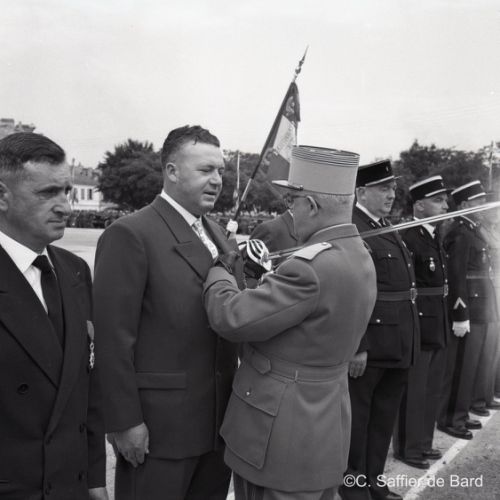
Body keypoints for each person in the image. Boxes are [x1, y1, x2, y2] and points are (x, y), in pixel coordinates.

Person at [203, 145, 377, 500]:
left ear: (311, 205)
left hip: (279, 434)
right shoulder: (358, 254)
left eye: (292, 202)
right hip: (324, 426)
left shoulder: (310, 267)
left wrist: (222, 270)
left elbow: (231, 317)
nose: (289, 211)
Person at [93, 125, 244, 500]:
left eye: (220, 171)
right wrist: (125, 421)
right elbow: (113, 338)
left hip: (217, 423)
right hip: (161, 428)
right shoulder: (131, 233)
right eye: (205, 169)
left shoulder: (218, 235)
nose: (217, 180)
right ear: (172, 171)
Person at [0, 132, 107, 500]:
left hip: (69, 484)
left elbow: (86, 388)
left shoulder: (74, 270)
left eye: (67, 191)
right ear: (2, 196)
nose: (65, 206)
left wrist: (94, 477)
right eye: (48, 193)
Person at [340, 160, 420, 500]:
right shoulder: (353, 228)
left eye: (393, 188)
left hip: (396, 341)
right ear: (361, 192)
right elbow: (350, 290)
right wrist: (358, 344)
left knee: (383, 418)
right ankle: (354, 487)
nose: (391, 195)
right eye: (383, 189)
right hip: (370, 344)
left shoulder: (383, 226)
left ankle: (374, 481)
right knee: (358, 421)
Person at [392, 176, 450, 469]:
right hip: (419, 321)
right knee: (414, 391)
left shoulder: (434, 234)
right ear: (419, 206)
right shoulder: (409, 236)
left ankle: (424, 442)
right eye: (438, 201)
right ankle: (408, 448)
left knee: (431, 388)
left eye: (445, 200)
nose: (445, 206)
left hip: (437, 319)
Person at [438, 181, 499, 439]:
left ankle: (461, 414)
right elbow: (456, 275)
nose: (482, 205)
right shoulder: (460, 233)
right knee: (461, 367)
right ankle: (451, 418)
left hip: (481, 305)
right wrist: (460, 313)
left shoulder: (472, 230)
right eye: (477, 201)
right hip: (469, 308)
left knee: (470, 365)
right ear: (464, 205)